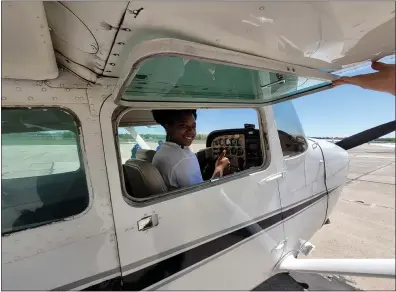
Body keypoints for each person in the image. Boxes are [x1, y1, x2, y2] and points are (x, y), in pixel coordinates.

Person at [151, 109, 230, 190]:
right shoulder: (183, 159)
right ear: (168, 127)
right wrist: (219, 167)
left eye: (193, 126)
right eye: (183, 125)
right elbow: (202, 194)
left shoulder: (161, 151)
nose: (191, 131)